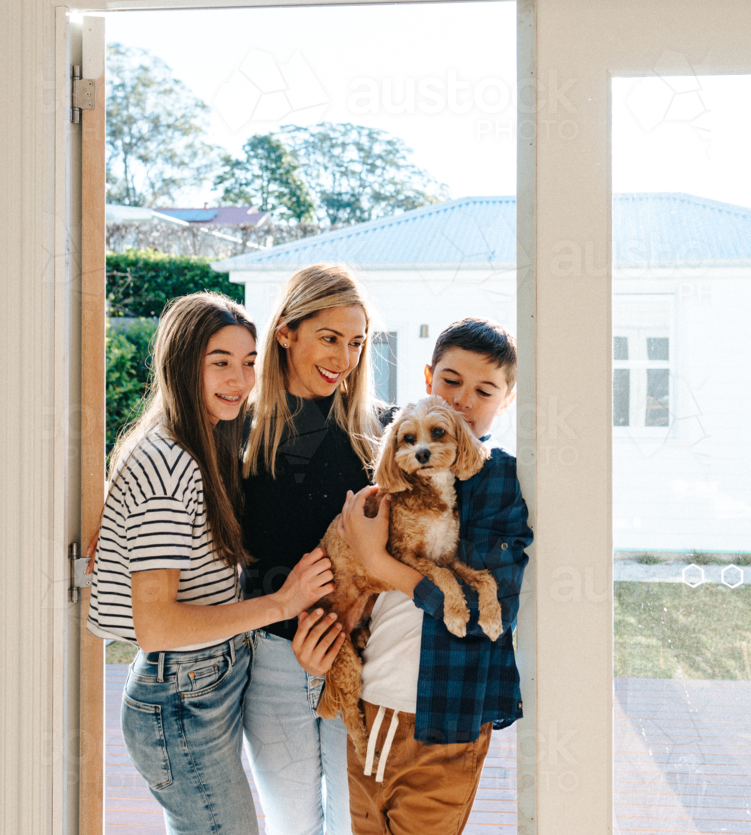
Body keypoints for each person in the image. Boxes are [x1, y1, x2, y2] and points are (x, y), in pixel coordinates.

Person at [87, 292, 335, 835]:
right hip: (179, 702)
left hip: (203, 685)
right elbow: (157, 626)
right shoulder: (169, 466)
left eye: (248, 363)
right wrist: (282, 602)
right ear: (182, 365)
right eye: (219, 362)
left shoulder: (204, 440)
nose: (240, 381)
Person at [295, 316, 533, 835]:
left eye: (485, 390)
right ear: (429, 379)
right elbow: (346, 573)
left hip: (452, 718)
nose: (464, 401)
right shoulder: (396, 458)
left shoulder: (502, 486)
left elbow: (484, 616)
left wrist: (384, 565)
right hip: (374, 698)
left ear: (507, 398)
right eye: (451, 382)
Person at [240, 263, 387, 835]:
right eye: (330, 338)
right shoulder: (242, 434)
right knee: (292, 825)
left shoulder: (379, 432)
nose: (344, 358)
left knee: (353, 822)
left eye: (356, 342)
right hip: (277, 660)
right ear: (286, 333)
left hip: (359, 656)